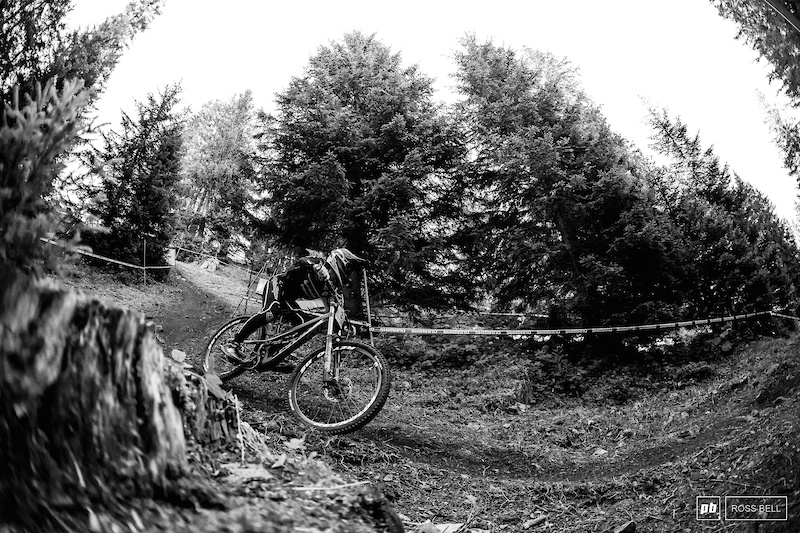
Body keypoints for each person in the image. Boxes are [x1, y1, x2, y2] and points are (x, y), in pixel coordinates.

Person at [221, 248, 368, 364]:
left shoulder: (331, 288)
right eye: (347, 269)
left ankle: (272, 353)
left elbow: (333, 309)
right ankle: (234, 343)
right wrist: (316, 267)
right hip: (277, 285)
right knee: (270, 312)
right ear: (338, 262)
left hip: (290, 300)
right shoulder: (319, 262)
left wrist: (346, 325)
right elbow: (302, 261)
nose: (348, 274)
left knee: (304, 326)